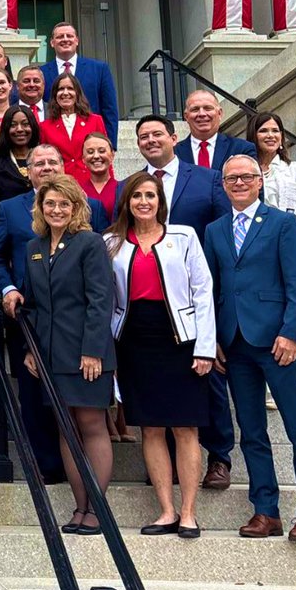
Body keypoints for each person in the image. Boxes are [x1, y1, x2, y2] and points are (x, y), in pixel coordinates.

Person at [203, 155, 296, 541]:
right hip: (235, 343)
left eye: (246, 177)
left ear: (260, 181)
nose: (239, 183)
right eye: (231, 178)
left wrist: (292, 333)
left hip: (277, 342)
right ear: (223, 185)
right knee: (252, 431)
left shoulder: (283, 224)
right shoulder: (214, 230)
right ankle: (265, 511)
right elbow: (211, 289)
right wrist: (213, 339)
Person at [106, 172, 215, 539]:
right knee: (150, 427)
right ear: (127, 202)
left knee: (185, 426)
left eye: (150, 195)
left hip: (180, 340)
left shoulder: (184, 236)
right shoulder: (111, 242)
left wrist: (205, 347)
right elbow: (106, 298)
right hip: (133, 339)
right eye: (136, 196)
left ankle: (189, 513)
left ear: (160, 201)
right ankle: (166, 510)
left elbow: (203, 291)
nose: (144, 202)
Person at [135, 113, 234, 489]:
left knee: (210, 378)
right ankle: (167, 466)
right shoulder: (133, 186)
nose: (150, 140)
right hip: (150, 312)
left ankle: (219, 456)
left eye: (157, 134)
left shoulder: (207, 179)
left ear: (174, 137)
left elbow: (224, 235)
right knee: (160, 389)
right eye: (143, 136)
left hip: (200, 297)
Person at [18, 175, 116, 535]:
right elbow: (33, 305)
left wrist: (92, 351)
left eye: (64, 204)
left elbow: (100, 299)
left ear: (76, 208)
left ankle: (97, 509)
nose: (56, 210)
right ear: (40, 208)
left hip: (86, 352)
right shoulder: (34, 247)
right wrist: (30, 349)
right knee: (66, 427)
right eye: (50, 203)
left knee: (91, 425)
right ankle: (80, 507)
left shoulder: (89, 243)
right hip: (50, 355)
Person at [248, 110, 296, 409]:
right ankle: (270, 391)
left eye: (275, 131)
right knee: (268, 323)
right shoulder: (247, 172)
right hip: (259, 260)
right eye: (263, 130)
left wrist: (289, 248)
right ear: (253, 136)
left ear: (282, 137)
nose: (270, 135)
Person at [40, 22, 119, 145]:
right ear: (52, 42)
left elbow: (109, 109)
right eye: (60, 37)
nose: (65, 39)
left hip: (91, 141)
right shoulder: (42, 73)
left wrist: (111, 145)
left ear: (76, 41)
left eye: (69, 36)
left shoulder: (99, 69)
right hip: (55, 143)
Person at [0, 105, 41, 235]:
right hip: (8, 236)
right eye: (13, 125)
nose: (20, 129)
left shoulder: (45, 160)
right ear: (6, 129)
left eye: (25, 124)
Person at [39, 73, 107, 186]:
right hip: (61, 185)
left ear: (77, 93)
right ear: (55, 94)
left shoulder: (95, 121)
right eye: (61, 89)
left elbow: (105, 156)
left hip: (92, 183)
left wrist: (110, 185)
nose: (65, 93)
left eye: (70, 88)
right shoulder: (45, 127)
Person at [177, 90, 256, 169]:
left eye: (208, 108)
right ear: (186, 116)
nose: (202, 114)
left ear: (219, 113)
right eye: (195, 109)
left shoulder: (242, 149)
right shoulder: (174, 153)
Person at [82, 133, 122, 219]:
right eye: (90, 152)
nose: (96, 156)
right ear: (83, 159)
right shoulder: (78, 191)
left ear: (112, 155)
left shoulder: (124, 189)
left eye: (102, 151)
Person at [15, 64, 47, 129]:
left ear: (43, 85)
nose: (32, 85)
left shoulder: (55, 111)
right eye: (26, 81)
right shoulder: (9, 111)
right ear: (17, 85)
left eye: (36, 81)